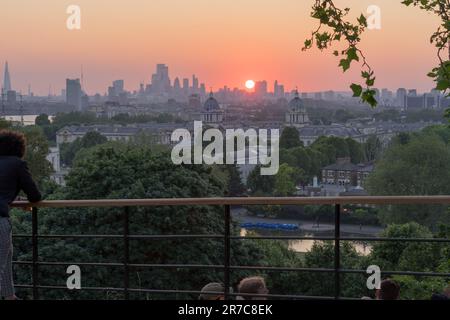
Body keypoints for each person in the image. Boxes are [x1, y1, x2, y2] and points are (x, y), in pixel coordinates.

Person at [0, 130, 42, 300]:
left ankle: (10, 296)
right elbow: (35, 196)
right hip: (0, 220)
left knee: (6, 261)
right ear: (19, 147)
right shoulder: (17, 164)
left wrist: (11, 196)